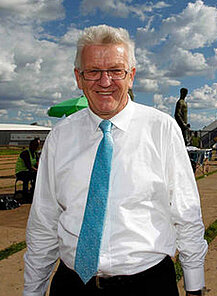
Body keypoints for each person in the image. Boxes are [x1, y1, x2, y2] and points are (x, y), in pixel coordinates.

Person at [24, 25, 207, 296]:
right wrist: (32, 290)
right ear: (79, 77)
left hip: (148, 284)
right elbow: (44, 220)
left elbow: (186, 211)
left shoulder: (162, 129)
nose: (105, 81)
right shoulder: (60, 137)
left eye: (115, 71)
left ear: (131, 76)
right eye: (93, 72)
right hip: (72, 285)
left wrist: (194, 285)